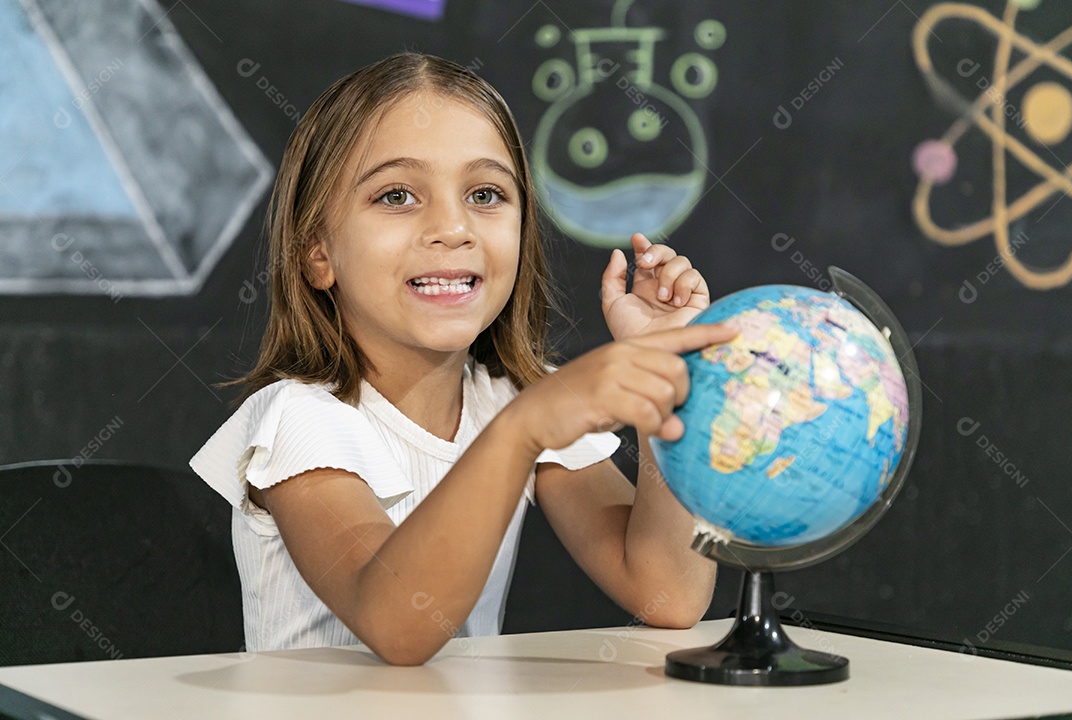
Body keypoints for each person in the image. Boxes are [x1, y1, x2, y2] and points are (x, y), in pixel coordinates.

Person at [190, 52, 735, 666]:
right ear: (318, 252)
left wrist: (666, 377)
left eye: (485, 193)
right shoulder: (300, 419)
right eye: (397, 195)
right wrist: (523, 431)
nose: (453, 227)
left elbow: (669, 594)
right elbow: (398, 625)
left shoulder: (511, 400)